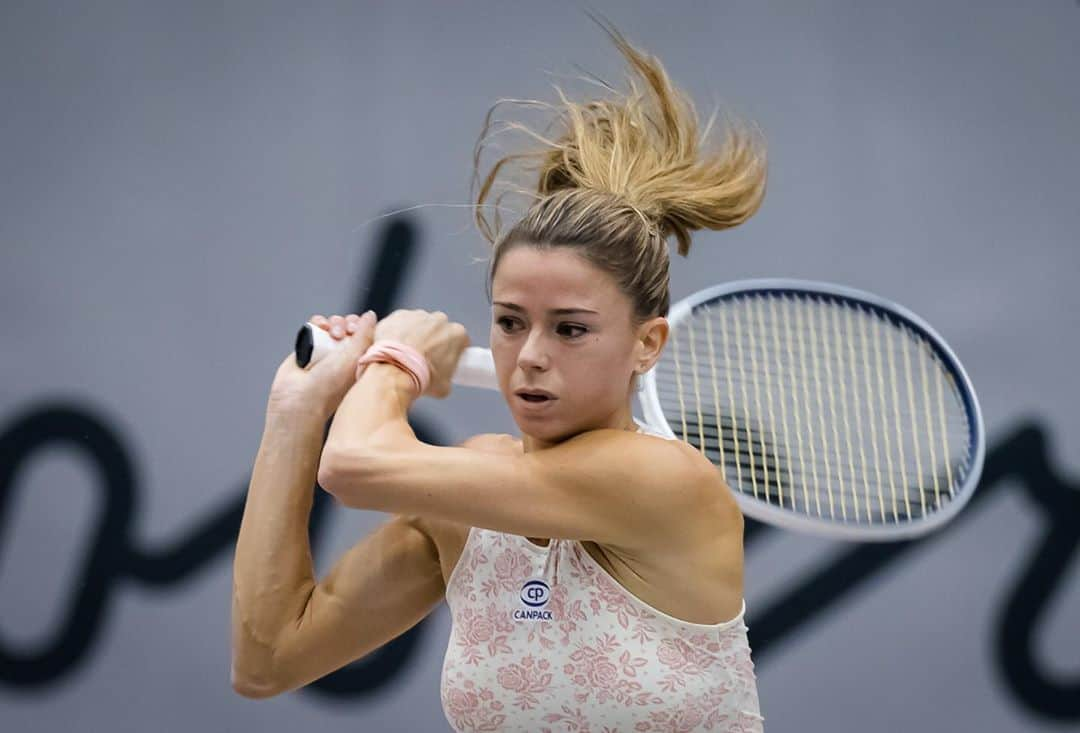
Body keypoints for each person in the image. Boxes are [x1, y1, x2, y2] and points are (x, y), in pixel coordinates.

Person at [232, 23, 767, 732]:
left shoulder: (664, 480)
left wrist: (395, 360)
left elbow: (356, 464)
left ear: (647, 343)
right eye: (511, 321)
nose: (531, 354)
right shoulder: (466, 497)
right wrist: (295, 410)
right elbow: (269, 659)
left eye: (570, 328)